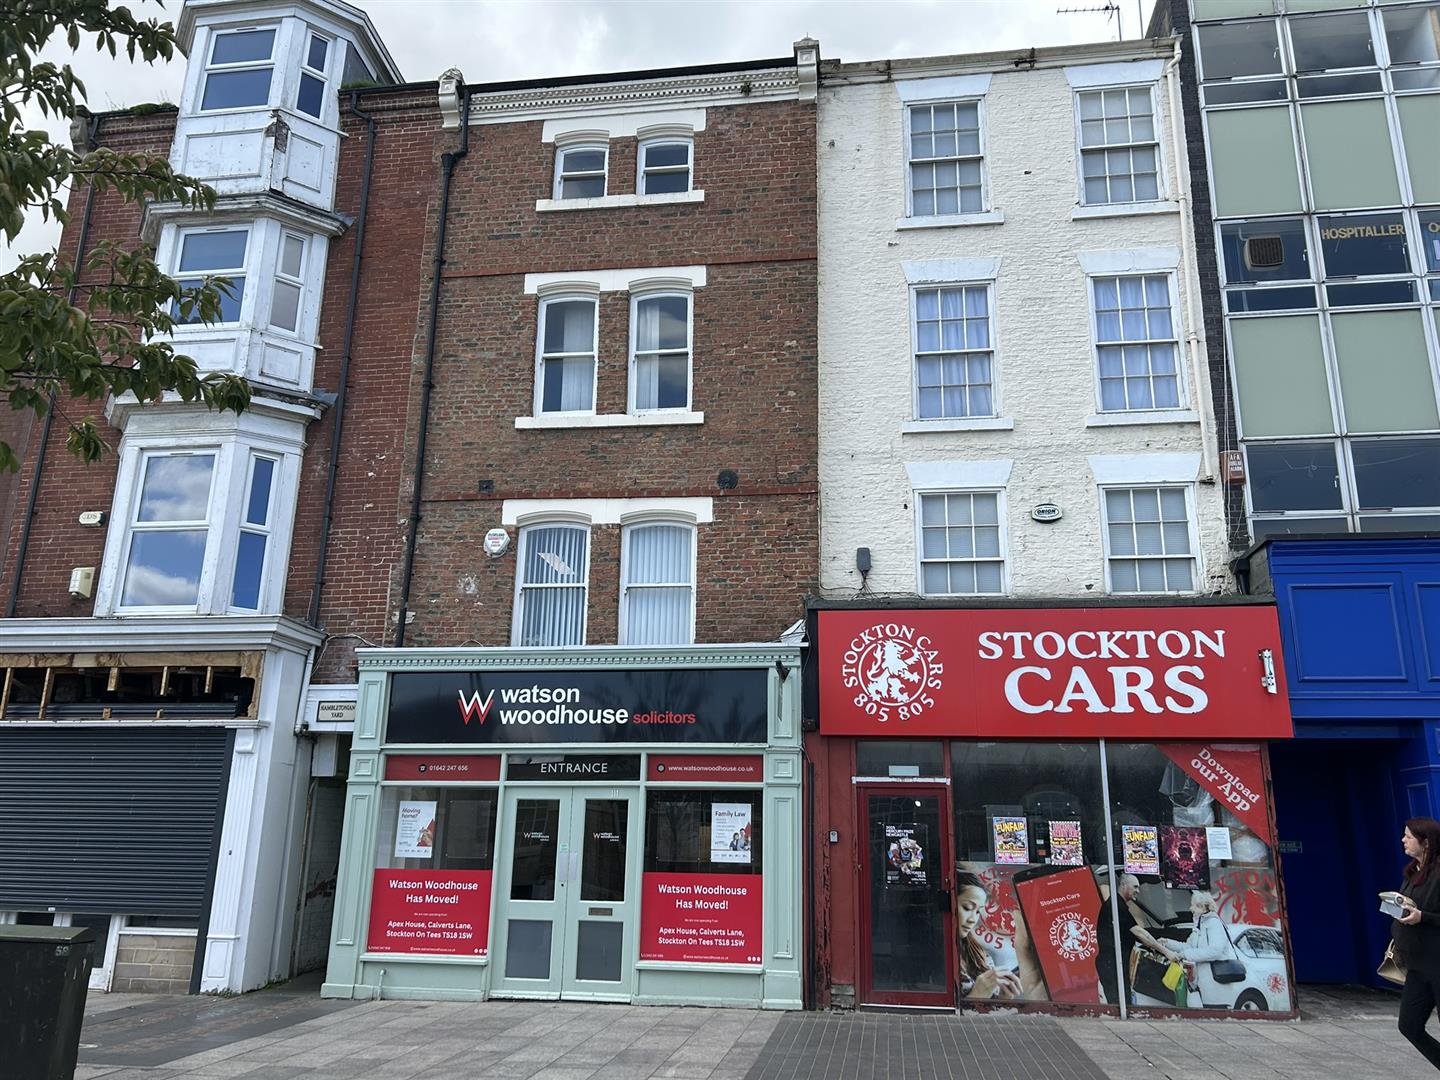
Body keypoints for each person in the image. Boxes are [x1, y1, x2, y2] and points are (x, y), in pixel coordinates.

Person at [1392, 817, 1440, 1070]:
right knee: (1409, 1024)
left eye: (1409, 836)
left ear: (1426, 842)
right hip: (1418, 963)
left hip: (1437, 960)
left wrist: (1424, 917)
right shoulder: (1413, 872)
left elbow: (1425, 914)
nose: (1404, 840)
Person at [1097, 873, 1170, 1006]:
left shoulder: (1118, 905)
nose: (1138, 891)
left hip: (1115, 963)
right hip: (1112, 965)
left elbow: (1134, 933)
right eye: (1135, 887)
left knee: (1123, 1002)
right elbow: (1139, 932)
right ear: (1124, 885)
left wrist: (1154, 943)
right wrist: (1167, 952)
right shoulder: (1116, 906)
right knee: (1120, 1005)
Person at [1154, 890, 1233, 1006]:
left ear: (1202, 907)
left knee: (1214, 1011)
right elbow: (1188, 947)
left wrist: (1185, 954)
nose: (1191, 909)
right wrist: (1167, 943)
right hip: (1203, 981)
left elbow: (1215, 951)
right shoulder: (1200, 925)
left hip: (1216, 982)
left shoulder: (1214, 924)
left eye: (1193, 905)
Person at [954, 871, 1023, 1000]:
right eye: (967, 908)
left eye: (978, 912)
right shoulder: (935, 956)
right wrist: (977, 995)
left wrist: (1003, 997)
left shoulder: (979, 954)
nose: (973, 919)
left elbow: (992, 1006)